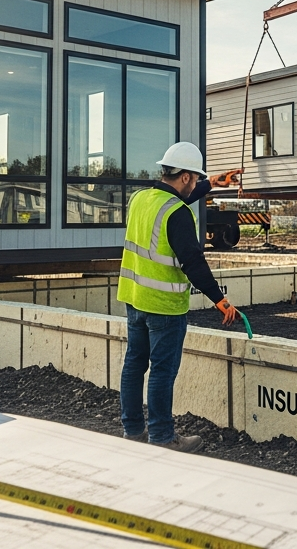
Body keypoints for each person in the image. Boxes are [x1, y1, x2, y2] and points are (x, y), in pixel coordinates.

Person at [117, 141, 243, 453]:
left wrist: (211, 183)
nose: (194, 184)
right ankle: (161, 437)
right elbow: (193, 263)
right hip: (164, 306)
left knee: (134, 364)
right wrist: (220, 300)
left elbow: (174, 198)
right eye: (195, 178)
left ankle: (132, 429)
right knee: (162, 370)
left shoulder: (141, 199)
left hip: (134, 298)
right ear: (185, 176)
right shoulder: (178, 213)